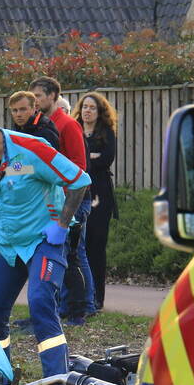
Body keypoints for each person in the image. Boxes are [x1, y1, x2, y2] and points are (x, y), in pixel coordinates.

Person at [0, 107, 91, 379]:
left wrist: (61, 225)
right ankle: (1, 380)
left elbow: (79, 180)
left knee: (40, 302)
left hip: (42, 239)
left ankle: (57, 383)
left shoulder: (30, 149)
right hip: (6, 244)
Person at [30, 77, 95, 325]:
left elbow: (80, 166)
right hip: (52, 200)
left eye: (38, 96)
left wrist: (68, 197)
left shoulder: (67, 125)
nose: (34, 100)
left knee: (74, 253)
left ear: (53, 96)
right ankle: (58, 308)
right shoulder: (40, 124)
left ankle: (82, 308)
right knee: (55, 256)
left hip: (74, 199)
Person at [73, 91, 118, 312]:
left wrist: (87, 158)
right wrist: (92, 157)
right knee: (77, 247)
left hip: (101, 195)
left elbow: (106, 160)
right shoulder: (74, 131)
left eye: (92, 107)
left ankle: (97, 298)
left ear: (99, 112)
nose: (87, 111)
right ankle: (78, 297)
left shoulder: (106, 133)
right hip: (78, 194)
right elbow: (73, 160)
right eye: (85, 107)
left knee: (96, 246)